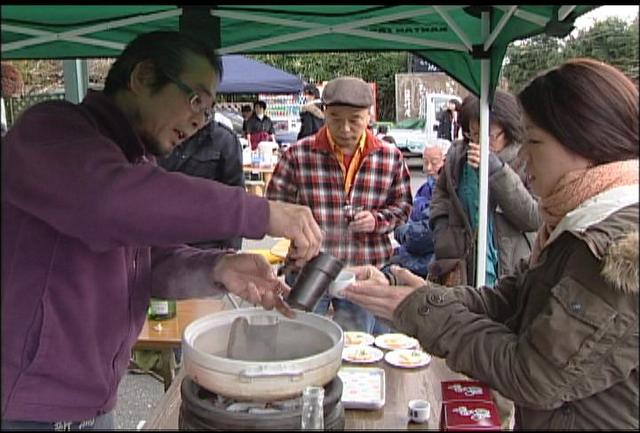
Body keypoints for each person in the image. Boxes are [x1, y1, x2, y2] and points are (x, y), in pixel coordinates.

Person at [1, 31, 323, 430]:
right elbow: (107, 203)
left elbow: (149, 262)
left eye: (207, 111)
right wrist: (260, 212)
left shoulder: (136, 165)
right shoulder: (50, 131)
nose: (198, 120)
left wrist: (218, 269)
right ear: (143, 77)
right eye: (195, 100)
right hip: (26, 401)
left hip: (96, 401)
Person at [344, 58, 639, 430]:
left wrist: (420, 309)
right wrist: (419, 294)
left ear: (585, 140)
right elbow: (510, 300)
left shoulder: (615, 248)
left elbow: (532, 375)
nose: (526, 157)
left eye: (532, 141)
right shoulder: (575, 225)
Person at [266, 76, 413, 334]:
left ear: (369, 116)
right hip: (309, 270)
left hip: (365, 271)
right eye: (335, 118)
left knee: (359, 348)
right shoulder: (298, 155)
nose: (345, 129)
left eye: (355, 120)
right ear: (324, 113)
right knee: (300, 343)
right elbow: (272, 208)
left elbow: (403, 207)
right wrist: (295, 225)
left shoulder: (389, 158)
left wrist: (377, 220)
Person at [429, 90, 541, 287]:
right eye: (472, 134)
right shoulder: (457, 156)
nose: (478, 143)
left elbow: (534, 218)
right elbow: (441, 196)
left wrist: (495, 169)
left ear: (508, 130)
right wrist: (442, 233)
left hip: (507, 265)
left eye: (488, 135)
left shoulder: (526, 160)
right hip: (463, 267)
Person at [158, 118, 245, 249]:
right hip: (163, 238)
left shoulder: (224, 139)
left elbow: (236, 198)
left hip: (207, 242)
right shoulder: (161, 135)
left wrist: (232, 249)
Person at [389, 140, 448, 278]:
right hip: (412, 254)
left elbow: (422, 236)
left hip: (425, 262)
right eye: (425, 161)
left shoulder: (445, 192)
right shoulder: (426, 187)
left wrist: (400, 230)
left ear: (445, 162)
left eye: (434, 162)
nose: (428, 168)